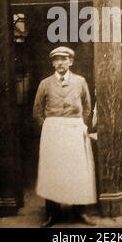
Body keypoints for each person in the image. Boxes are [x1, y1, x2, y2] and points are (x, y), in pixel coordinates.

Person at [33, 46, 97, 227]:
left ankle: (81, 211)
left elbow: (87, 107)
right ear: (52, 63)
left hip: (74, 128)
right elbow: (37, 111)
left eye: (64, 59)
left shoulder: (80, 81)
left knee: (77, 170)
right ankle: (52, 213)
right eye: (56, 59)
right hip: (53, 130)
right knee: (53, 171)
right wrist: (48, 127)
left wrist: (81, 125)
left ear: (71, 61)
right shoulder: (45, 83)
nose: (60, 62)